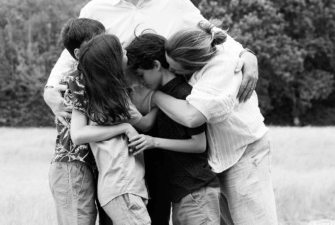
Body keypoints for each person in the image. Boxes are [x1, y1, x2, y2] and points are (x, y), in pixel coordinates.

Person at [45, 0, 258, 125]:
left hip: (170, 114)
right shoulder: (95, 10)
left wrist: (245, 54)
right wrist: (51, 88)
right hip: (122, 117)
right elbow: (74, 52)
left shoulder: (175, 1)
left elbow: (210, 33)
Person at [153, 21, 278, 225]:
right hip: (219, 160)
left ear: (193, 64)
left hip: (244, 153)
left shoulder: (220, 67)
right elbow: (218, 32)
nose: (172, 72)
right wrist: (249, 53)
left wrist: (154, 95)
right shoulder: (205, 43)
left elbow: (192, 116)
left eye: (175, 68)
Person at [125, 33, 221, 225]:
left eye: (141, 74)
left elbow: (199, 144)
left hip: (196, 191)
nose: (141, 81)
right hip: (183, 193)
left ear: (156, 65)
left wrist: (154, 142)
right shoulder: (165, 95)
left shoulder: (184, 94)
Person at [67, 34, 152, 225]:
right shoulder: (115, 98)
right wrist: (161, 101)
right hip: (122, 185)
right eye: (121, 51)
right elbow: (145, 124)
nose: (126, 53)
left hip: (122, 185)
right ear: (112, 62)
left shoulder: (100, 97)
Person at [48, 18, 109, 225]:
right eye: (95, 43)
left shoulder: (90, 78)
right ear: (77, 54)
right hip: (72, 167)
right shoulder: (76, 81)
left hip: (87, 166)